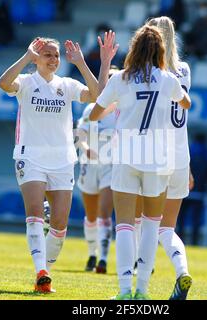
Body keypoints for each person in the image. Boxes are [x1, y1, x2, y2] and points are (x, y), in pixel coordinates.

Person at [0, 31, 118, 293]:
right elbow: (4, 83)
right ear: (36, 58)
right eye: (47, 54)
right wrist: (26, 56)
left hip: (63, 161)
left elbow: (99, 95)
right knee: (35, 215)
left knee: (60, 226)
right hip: (30, 157)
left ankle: (44, 273)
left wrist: (84, 63)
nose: (53, 59)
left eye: (56, 55)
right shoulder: (27, 82)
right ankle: (41, 271)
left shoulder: (67, 85)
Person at [90, 25, 191, 300]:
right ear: (159, 50)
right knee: (151, 223)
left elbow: (95, 115)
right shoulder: (167, 78)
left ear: (134, 48)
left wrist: (119, 104)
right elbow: (186, 104)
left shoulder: (121, 79)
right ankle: (142, 291)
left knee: (124, 223)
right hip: (158, 159)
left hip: (126, 155)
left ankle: (124, 290)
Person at [133, 16, 194, 300]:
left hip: (154, 154)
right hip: (181, 155)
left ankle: (135, 283)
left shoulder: (150, 72)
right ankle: (182, 272)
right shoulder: (184, 69)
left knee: (145, 222)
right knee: (167, 228)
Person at [76, 66, 119, 274]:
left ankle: (103, 259)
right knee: (90, 215)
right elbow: (80, 134)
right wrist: (85, 148)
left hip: (110, 165)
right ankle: (92, 253)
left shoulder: (121, 110)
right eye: (107, 80)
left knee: (104, 212)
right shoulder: (91, 107)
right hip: (88, 164)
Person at [177, 133, 207, 246]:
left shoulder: (188, 150)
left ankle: (179, 242)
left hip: (184, 191)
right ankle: (194, 243)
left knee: (180, 220)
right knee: (196, 222)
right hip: (200, 193)